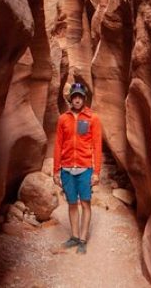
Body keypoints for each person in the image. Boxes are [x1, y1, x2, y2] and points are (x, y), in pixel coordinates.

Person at [53, 82, 102, 254]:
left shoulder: (92, 119)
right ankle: (74, 236)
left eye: (80, 96)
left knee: (85, 203)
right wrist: (56, 170)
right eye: (75, 96)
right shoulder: (63, 119)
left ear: (84, 98)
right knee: (72, 204)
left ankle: (82, 239)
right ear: (71, 98)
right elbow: (58, 145)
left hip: (84, 168)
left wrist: (96, 173)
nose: (77, 99)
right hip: (67, 168)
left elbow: (97, 145)